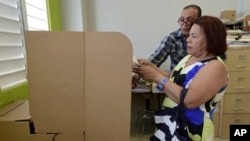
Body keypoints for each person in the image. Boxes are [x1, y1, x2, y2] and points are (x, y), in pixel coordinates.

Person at [133, 16, 229, 140]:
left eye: (194, 36)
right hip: (172, 124)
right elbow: (171, 78)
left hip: (191, 131)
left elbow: (189, 101)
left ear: (211, 39)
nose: (188, 40)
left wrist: (155, 76)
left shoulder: (215, 67)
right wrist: (150, 67)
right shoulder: (189, 58)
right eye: (188, 35)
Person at [132, 4, 202, 88]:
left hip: (198, 85)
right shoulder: (172, 38)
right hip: (176, 86)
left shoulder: (206, 42)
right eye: (182, 20)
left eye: (189, 20)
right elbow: (155, 61)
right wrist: (138, 72)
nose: (184, 24)